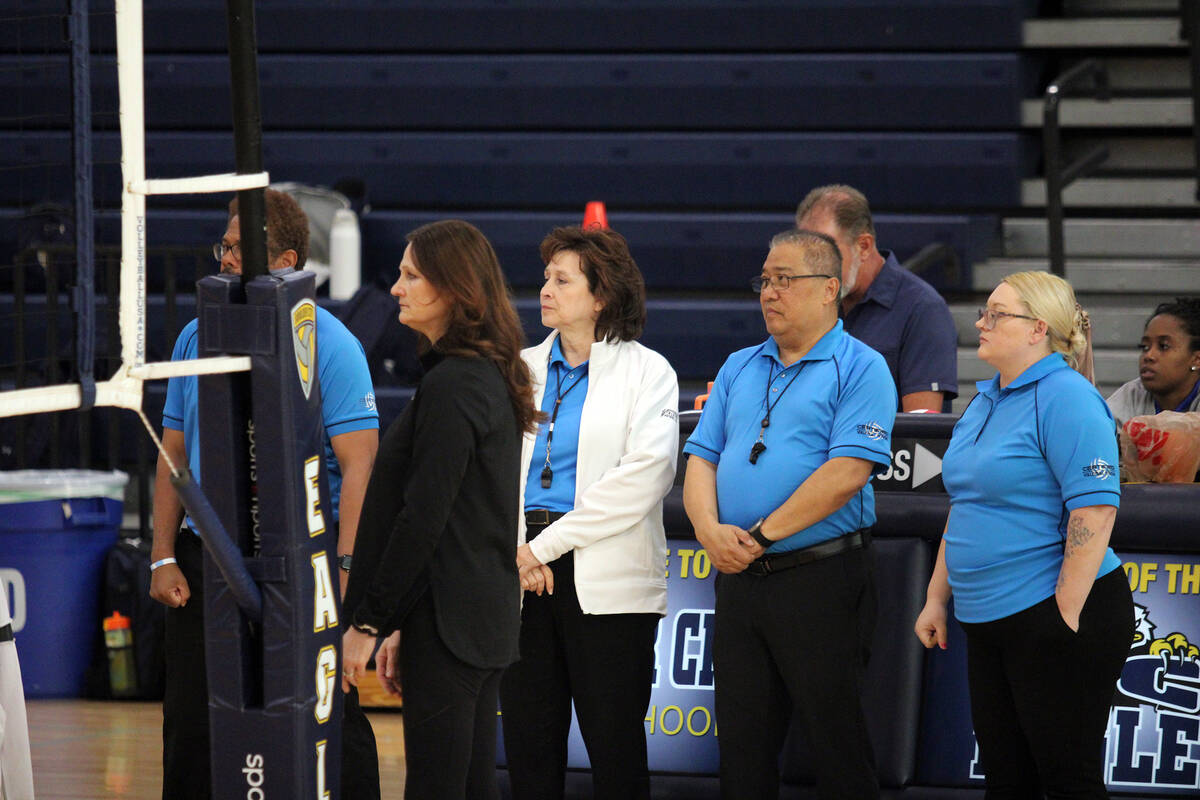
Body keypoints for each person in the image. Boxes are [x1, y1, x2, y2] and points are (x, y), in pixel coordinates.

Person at [149, 189, 381, 800]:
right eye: (222, 245)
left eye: (236, 248)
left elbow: (360, 468)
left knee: (328, 712)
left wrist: (346, 569)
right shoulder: (195, 336)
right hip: (210, 558)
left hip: (302, 560)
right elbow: (172, 452)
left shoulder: (330, 343)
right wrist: (162, 554)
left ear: (284, 260)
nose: (224, 257)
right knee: (193, 723)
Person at [682, 228, 896, 799]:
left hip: (820, 577)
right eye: (765, 280)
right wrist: (707, 531)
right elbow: (700, 458)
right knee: (742, 753)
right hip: (738, 579)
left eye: (785, 280)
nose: (769, 293)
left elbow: (848, 471)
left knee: (838, 745)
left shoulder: (862, 367)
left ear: (829, 289)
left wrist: (756, 535)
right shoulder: (738, 366)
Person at [339, 219, 538, 800]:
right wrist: (400, 622)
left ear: (454, 289)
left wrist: (369, 623)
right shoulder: (484, 374)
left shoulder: (456, 384)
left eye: (411, 275)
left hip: (454, 628)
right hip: (470, 620)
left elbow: (423, 519)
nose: (396, 287)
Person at [915, 270, 1133, 798]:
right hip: (989, 619)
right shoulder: (986, 399)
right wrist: (936, 597)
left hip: (1054, 614)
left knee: (1066, 779)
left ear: (1038, 329)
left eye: (996, 313)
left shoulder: (1069, 399)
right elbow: (966, 505)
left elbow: (1095, 512)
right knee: (1008, 780)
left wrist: (1063, 614)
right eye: (985, 311)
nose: (981, 322)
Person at [498, 226, 679, 800]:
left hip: (602, 572)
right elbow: (490, 474)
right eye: (546, 277)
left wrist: (541, 549)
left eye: (562, 279)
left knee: (615, 745)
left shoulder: (649, 371)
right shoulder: (516, 369)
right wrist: (514, 550)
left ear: (601, 296)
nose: (544, 289)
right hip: (519, 569)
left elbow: (643, 479)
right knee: (528, 744)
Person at [796, 184, 958, 412]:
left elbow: (921, 433)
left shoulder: (922, 308)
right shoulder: (811, 304)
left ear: (863, 246)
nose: (815, 268)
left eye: (825, 253)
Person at [1106, 296, 1200, 426]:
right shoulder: (1130, 396)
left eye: (1163, 346)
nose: (1148, 355)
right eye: (1144, 347)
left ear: (1196, 360)